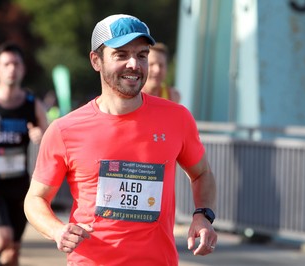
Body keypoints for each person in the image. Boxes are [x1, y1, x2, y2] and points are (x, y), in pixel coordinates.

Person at [24, 14, 217, 266]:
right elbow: (35, 199)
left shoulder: (177, 118)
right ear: (96, 60)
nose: (134, 64)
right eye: (121, 54)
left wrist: (203, 215)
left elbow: (201, 173)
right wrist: (57, 230)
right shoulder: (65, 129)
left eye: (141, 55)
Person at [0, 42, 48, 266]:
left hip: (19, 184)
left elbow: (52, 139)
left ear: (23, 69)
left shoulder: (33, 104)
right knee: (1, 236)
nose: (12, 69)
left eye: (16, 64)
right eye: (6, 64)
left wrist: (40, 136)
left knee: (11, 253)